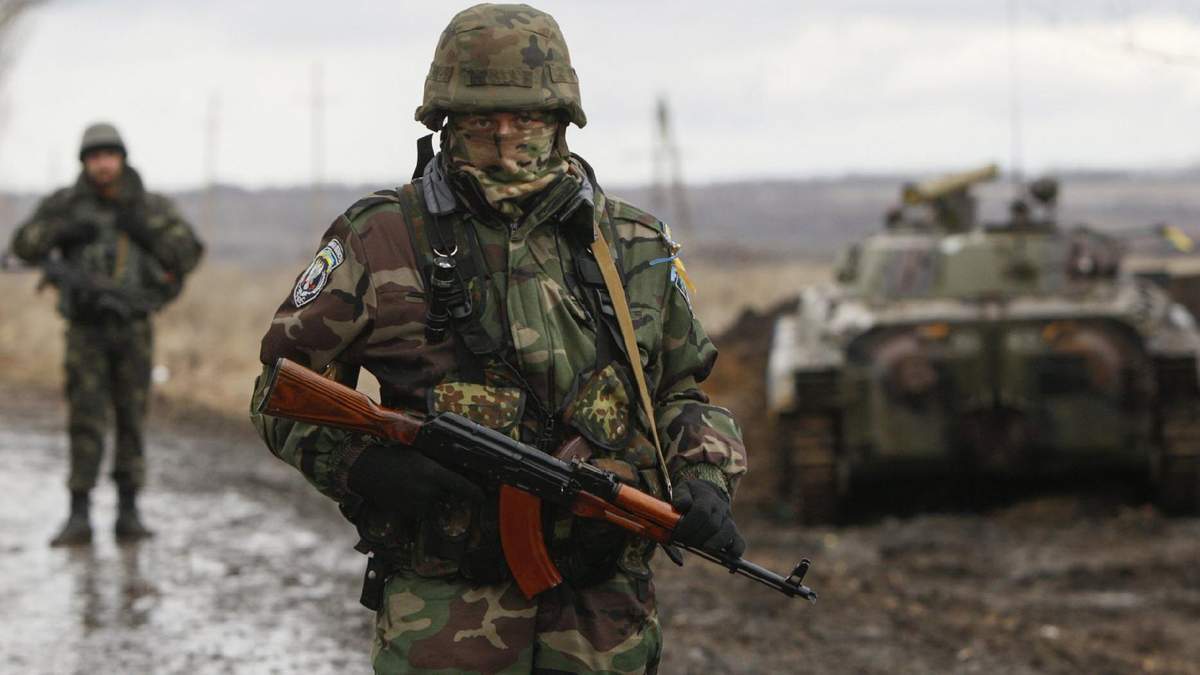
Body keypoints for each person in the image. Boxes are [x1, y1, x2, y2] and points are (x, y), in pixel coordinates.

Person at [250, 4, 747, 672]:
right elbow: (281, 391)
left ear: (561, 119)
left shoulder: (633, 244)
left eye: (526, 117)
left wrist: (705, 475)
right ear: (445, 121)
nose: (506, 135)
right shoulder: (381, 237)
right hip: (443, 616)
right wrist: (362, 465)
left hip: (603, 619)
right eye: (481, 119)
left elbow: (682, 392)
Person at [9, 122, 204, 546]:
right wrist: (60, 231)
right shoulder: (65, 204)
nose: (103, 164)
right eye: (95, 157)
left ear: (121, 158)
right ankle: (79, 512)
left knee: (132, 417)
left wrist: (146, 230)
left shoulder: (149, 206)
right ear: (84, 162)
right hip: (85, 331)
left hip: (133, 328)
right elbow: (23, 245)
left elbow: (189, 252)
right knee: (85, 418)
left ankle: (128, 512)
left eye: (109, 155)